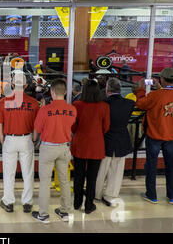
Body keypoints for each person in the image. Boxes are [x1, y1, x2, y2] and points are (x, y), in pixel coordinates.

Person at [136, 68, 173, 204]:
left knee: (151, 165)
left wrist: (140, 89)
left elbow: (141, 104)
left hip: (155, 135)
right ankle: (172, 196)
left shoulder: (156, 95)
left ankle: (152, 195)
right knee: (171, 167)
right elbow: (167, 99)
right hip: (171, 135)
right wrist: (160, 89)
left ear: (162, 79)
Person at [32, 79, 77, 223]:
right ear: (65, 92)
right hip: (64, 148)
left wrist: (33, 140)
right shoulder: (72, 110)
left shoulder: (45, 110)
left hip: (48, 148)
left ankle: (44, 215)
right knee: (64, 181)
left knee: (45, 182)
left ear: (51, 92)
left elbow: (37, 130)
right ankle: (65, 212)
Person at [0, 72, 39, 214]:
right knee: (28, 173)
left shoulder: (3, 102)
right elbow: (37, 125)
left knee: (9, 173)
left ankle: (8, 202)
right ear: (26, 85)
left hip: (10, 139)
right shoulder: (33, 103)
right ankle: (27, 203)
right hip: (26, 139)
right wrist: (33, 138)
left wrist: (2, 139)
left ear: (12, 84)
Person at [71, 80, 110, 214]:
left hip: (79, 144)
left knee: (78, 176)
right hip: (96, 146)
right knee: (92, 177)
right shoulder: (104, 106)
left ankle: (76, 203)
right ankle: (89, 205)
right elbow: (106, 128)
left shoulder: (76, 105)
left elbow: (73, 126)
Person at [95, 78, 135, 206]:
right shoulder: (129, 103)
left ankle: (97, 193)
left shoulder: (102, 104)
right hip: (121, 140)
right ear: (120, 89)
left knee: (101, 169)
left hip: (105, 140)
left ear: (107, 90)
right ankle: (110, 195)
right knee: (116, 171)